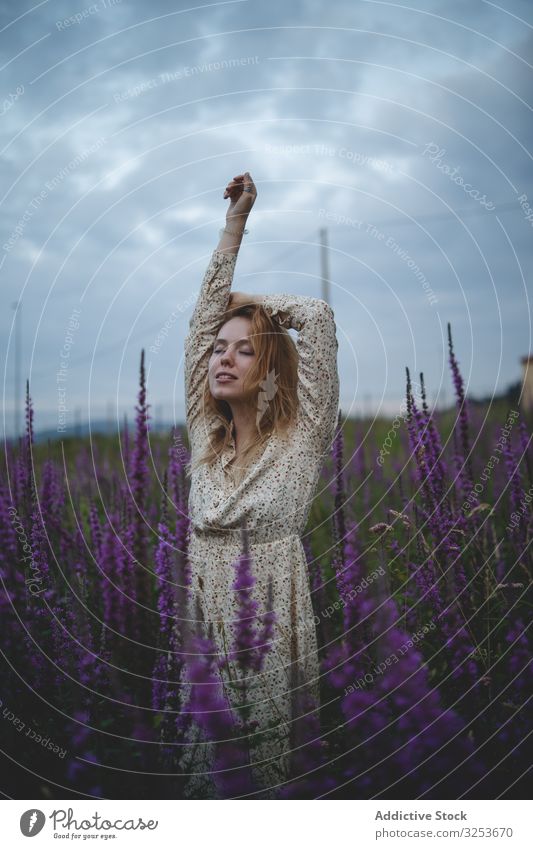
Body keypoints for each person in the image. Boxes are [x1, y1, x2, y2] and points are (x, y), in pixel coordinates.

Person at [179, 171, 339, 798]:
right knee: (202, 772)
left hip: (273, 613)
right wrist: (233, 228)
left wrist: (252, 304)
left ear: (269, 361)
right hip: (204, 617)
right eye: (220, 349)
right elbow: (198, 329)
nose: (222, 358)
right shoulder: (204, 438)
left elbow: (320, 319)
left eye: (244, 350)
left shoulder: (302, 437)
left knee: (269, 777)